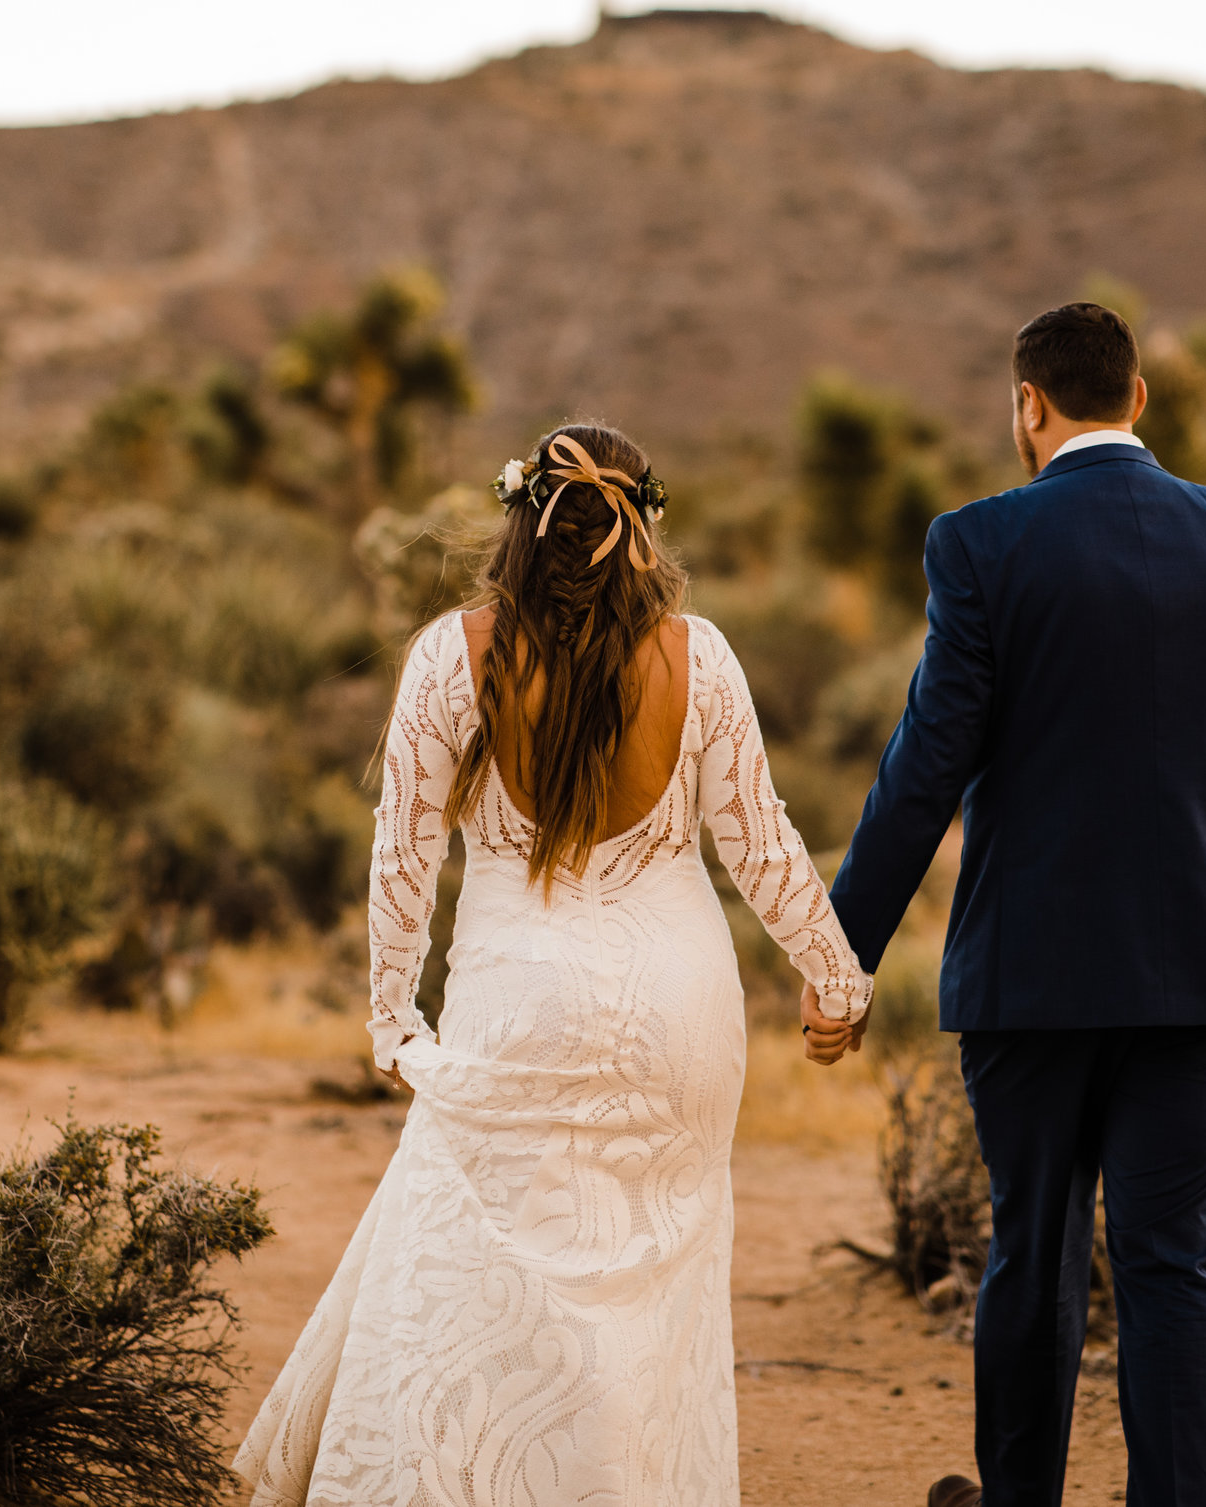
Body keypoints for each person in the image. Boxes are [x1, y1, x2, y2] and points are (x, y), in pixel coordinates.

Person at [236, 422, 873, 1507]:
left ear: (518, 519)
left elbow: (403, 848)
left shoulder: (453, 652)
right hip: (677, 1020)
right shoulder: (699, 655)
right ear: (642, 525)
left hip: (513, 1006)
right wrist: (838, 980)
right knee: (648, 1300)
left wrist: (392, 1017)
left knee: (476, 1285)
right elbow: (759, 840)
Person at [814, 302, 1206, 1507]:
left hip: (1034, 971)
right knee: (1173, 1273)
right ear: (1139, 399)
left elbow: (924, 767)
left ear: (1028, 406)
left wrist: (840, 953)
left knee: (1032, 1256)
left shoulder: (980, 543)